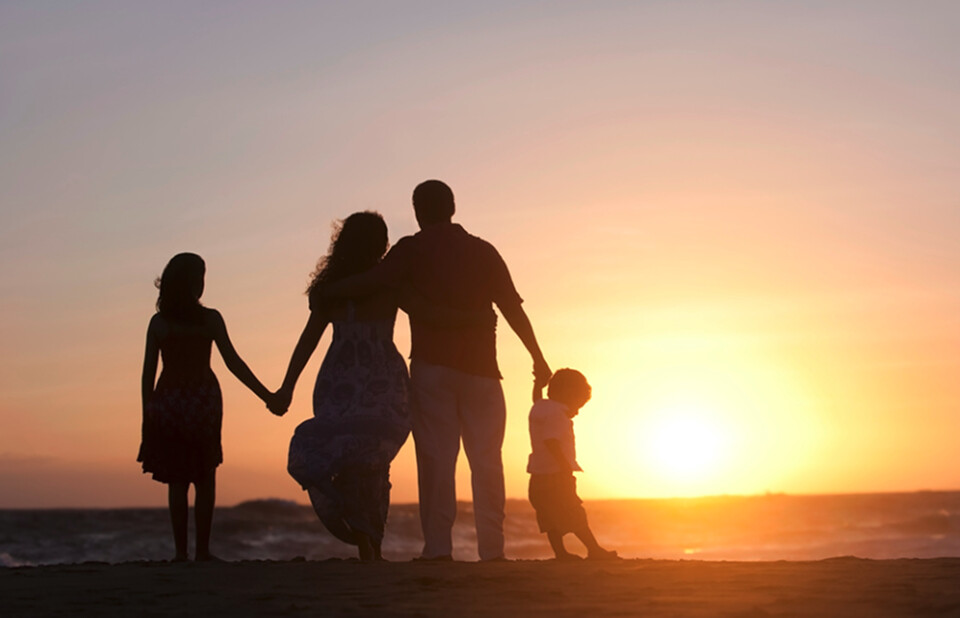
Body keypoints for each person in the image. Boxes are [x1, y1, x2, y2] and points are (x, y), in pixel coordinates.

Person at [322, 180, 551, 561]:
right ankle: (492, 552)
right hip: (483, 372)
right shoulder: (483, 250)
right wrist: (538, 359)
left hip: (433, 370)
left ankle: (439, 550)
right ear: (453, 207)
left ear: (417, 210)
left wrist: (327, 291)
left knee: (436, 461)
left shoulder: (410, 249)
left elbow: (372, 282)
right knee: (487, 461)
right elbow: (513, 309)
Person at [272, 212, 412, 561]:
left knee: (356, 457)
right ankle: (370, 542)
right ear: (380, 243)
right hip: (379, 378)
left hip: (341, 379)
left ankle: (367, 537)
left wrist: (287, 387)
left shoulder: (332, 289)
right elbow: (309, 338)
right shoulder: (388, 282)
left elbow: (307, 341)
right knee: (372, 460)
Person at [139, 252, 275, 562]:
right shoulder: (210, 319)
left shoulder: (160, 323)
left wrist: (147, 415)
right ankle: (202, 551)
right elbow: (234, 363)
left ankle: (181, 553)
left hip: (170, 401)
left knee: (177, 480)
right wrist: (267, 395)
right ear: (193, 283)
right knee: (204, 475)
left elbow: (148, 375)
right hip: (202, 401)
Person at [527, 369, 617, 560]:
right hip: (556, 475)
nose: (576, 412)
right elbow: (551, 441)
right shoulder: (558, 415)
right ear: (568, 394)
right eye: (578, 405)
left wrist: (538, 385)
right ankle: (594, 550)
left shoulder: (541, 407)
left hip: (537, 477)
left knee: (549, 517)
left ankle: (561, 553)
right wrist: (565, 466)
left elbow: (537, 399)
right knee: (574, 513)